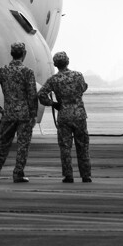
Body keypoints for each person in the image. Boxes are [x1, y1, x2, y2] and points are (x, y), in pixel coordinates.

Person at [0, 42, 38, 183]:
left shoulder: (2, 71)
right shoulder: (27, 72)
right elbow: (32, 95)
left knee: (2, 144)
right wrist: (33, 114)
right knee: (23, 145)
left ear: (11, 53)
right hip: (24, 114)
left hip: (8, 113)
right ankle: (18, 174)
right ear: (24, 54)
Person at [38, 51, 92, 183]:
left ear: (56, 64)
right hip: (79, 116)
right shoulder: (78, 75)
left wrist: (53, 104)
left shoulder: (53, 80)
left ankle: (68, 176)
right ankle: (86, 176)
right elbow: (83, 88)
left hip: (63, 116)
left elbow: (41, 95)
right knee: (83, 146)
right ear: (67, 61)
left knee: (65, 147)